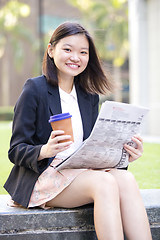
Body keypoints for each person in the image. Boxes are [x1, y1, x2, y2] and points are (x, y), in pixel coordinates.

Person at [4, 22, 152, 240]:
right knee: (104, 183)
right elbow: (15, 150)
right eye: (68, 49)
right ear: (51, 50)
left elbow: (92, 147)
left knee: (126, 179)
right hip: (44, 175)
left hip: (79, 171)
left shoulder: (88, 96)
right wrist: (45, 150)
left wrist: (123, 154)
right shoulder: (34, 89)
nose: (76, 57)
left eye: (83, 52)